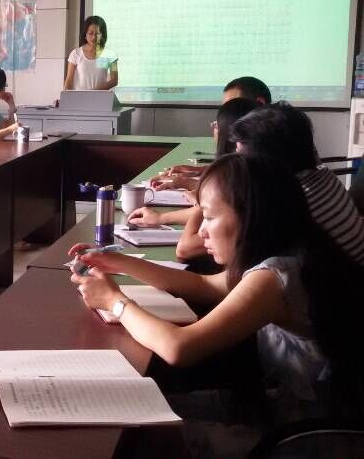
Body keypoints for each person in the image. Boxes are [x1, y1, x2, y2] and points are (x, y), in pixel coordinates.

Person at [70, 154, 363, 454]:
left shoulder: (275, 278)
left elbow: (178, 347)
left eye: (209, 217)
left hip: (308, 436)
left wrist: (114, 301)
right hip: (283, 407)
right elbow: (203, 285)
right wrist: (119, 262)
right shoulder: (295, 252)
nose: (200, 231)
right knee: (141, 406)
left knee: (141, 431)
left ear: (250, 216)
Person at [230, 103, 364, 266]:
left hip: (343, 280)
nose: (237, 161)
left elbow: (242, 259)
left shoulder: (291, 205)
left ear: (268, 161)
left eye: (242, 155)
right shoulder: (322, 174)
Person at [127, 98, 261, 259]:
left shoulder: (259, 191)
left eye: (217, 125)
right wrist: (161, 218)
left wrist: (202, 197)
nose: (238, 154)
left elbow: (185, 247)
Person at [153, 76, 273, 185]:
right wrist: (202, 170)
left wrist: (195, 185)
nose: (226, 113)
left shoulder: (275, 138)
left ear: (260, 103)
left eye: (232, 106)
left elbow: (249, 189)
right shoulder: (258, 136)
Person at [63, 15, 118, 91]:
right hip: (80, 97)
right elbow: (69, 80)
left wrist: (93, 92)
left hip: (101, 97)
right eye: (90, 33)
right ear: (85, 35)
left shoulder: (110, 55)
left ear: (102, 35)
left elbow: (114, 80)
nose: (94, 37)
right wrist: (66, 96)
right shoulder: (76, 53)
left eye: (97, 34)